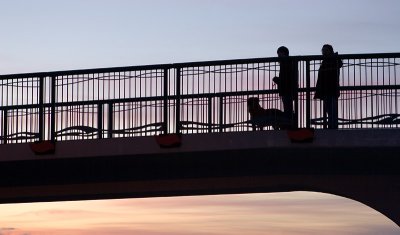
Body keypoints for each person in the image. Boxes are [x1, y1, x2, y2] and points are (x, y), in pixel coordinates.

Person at [314, 44, 343, 129]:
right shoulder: (325, 61)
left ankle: (332, 126)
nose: (323, 52)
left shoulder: (333, 60)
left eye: (325, 50)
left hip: (331, 89)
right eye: (323, 50)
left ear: (330, 51)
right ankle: (331, 125)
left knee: (331, 109)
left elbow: (339, 64)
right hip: (326, 89)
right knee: (329, 109)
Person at [273, 46, 298, 126]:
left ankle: (290, 124)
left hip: (287, 89)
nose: (278, 56)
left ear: (284, 53)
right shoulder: (290, 62)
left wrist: (278, 80)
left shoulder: (287, 63)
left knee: (288, 109)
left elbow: (286, 78)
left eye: (279, 53)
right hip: (288, 89)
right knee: (288, 108)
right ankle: (290, 123)